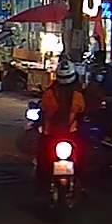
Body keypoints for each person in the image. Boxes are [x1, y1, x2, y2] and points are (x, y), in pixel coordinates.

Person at [37, 57, 86, 185]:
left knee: (84, 155)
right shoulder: (50, 93)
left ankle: (81, 182)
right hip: (54, 133)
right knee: (42, 159)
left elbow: (86, 110)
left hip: (70, 132)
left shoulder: (81, 92)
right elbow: (43, 110)